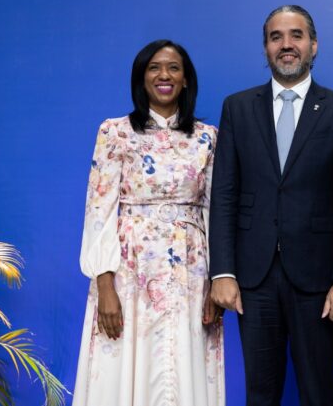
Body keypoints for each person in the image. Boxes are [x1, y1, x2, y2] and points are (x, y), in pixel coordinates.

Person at [205, 5, 333, 406]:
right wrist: (222, 271)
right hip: (252, 279)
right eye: (276, 37)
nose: (287, 44)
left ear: (314, 45)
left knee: (317, 391)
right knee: (260, 393)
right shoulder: (237, 108)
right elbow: (223, 194)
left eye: (296, 35)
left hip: (317, 280)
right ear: (265, 48)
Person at [72, 40, 225, 406]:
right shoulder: (115, 132)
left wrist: (217, 280)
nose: (164, 75)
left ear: (186, 79)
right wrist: (105, 283)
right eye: (154, 67)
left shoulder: (207, 137)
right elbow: (99, 210)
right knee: (123, 363)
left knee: (184, 364)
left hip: (191, 273)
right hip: (129, 273)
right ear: (142, 79)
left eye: (173, 68)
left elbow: (214, 211)